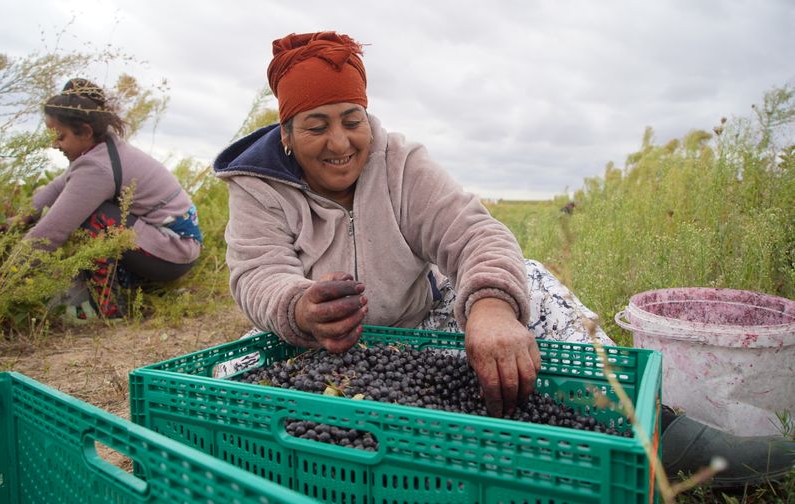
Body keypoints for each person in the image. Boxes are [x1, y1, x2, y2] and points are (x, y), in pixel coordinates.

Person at [213, 32, 793, 488]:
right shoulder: (257, 185)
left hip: (421, 330)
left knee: (532, 284)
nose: (340, 143)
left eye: (352, 120)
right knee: (231, 386)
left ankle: (651, 432)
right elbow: (256, 274)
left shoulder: (400, 163)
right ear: (286, 134)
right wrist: (297, 306)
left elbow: (474, 234)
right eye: (316, 126)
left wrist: (491, 307)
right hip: (322, 345)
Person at [3, 78, 202, 321]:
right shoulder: (102, 149)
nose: (55, 145)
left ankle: (107, 308)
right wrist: (24, 215)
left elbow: (52, 231)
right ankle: (129, 289)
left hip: (172, 251)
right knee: (97, 214)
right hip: (170, 245)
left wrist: (0, 281)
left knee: (94, 218)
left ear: (85, 131)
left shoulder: (98, 167)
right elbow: (59, 185)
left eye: (60, 136)